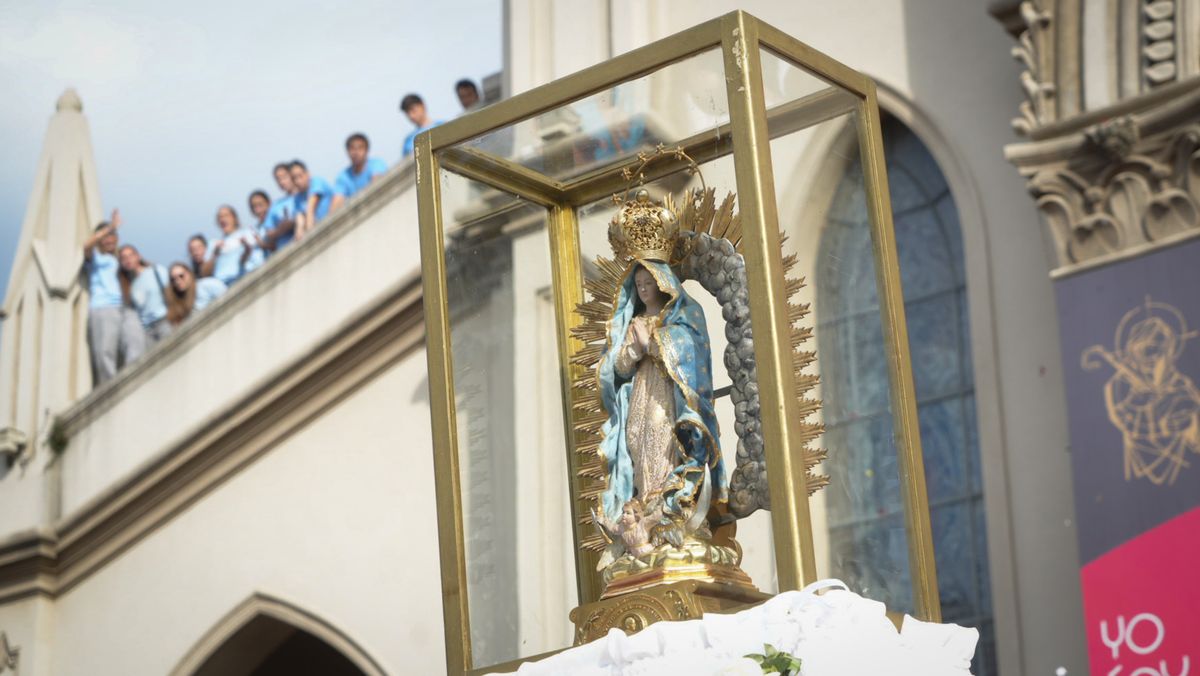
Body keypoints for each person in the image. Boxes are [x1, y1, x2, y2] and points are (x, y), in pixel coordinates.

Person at [598, 258, 722, 534]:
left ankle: (663, 504)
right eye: (639, 284)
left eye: (648, 284)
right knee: (635, 435)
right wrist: (634, 351)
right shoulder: (635, 322)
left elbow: (690, 352)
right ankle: (643, 502)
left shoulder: (680, 317)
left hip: (667, 392)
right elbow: (619, 366)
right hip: (641, 389)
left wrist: (650, 344)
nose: (642, 289)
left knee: (658, 431)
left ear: (661, 284)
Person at [82, 209, 146, 384]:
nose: (109, 239)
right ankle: (108, 388)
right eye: (105, 236)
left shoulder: (121, 259)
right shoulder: (95, 258)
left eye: (113, 235)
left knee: (134, 341)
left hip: (125, 308)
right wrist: (110, 226)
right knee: (105, 351)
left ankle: (133, 380)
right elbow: (86, 246)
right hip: (104, 308)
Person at [117, 244, 171, 344]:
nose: (128, 260)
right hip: (147, 330)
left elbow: (172, 292)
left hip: (164, 321)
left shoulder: (156, 271)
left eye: (130, 256)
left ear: (138, 256)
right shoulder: (130, 287)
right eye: (123, 258)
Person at [203, 205, 263, 285]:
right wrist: (214, 254)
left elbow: (257, 256)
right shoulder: (214, 243)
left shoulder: (247, 233)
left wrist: (246, 248)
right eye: (220, 217)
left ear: (235, 218)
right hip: (221, 285)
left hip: (243, 279)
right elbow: (204, 273)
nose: (223, 219)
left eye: (226, 215)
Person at [331, 133, 389, 210]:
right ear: (348, 152)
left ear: (367, 150)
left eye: (360, 148)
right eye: (352, 148)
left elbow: (377, 186)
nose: (356, 152)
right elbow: (336, 203)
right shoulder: (343, 176)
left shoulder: (376, 164)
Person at [289, 161, 334, 241]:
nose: (298, 181)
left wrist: (310, 235)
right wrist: (299, 231)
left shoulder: (316, 182)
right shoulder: (297, 199)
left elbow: (311, 207)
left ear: (308, 174)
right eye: (294, 178)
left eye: (300, 176)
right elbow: (300, 221)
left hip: (331, 225)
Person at [260, 163, 298, 255]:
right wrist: (280, 229)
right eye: (278, 179)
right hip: (285, 251)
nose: (281, 182)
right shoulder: (276, 205)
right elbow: (269, 233)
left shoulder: (305, 195)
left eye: (284, 177)